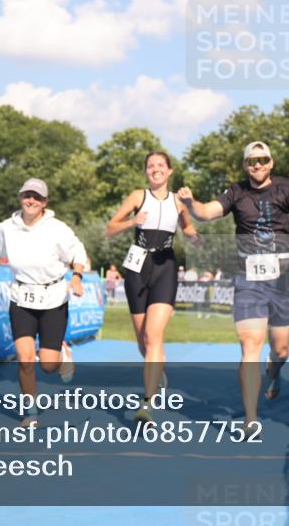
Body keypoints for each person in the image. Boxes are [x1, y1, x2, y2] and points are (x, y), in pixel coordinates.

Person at [177, 141, 289, 434]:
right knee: (249, 345)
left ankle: (274, 371)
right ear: (245, 166)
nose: (257, 165)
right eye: (251, 162)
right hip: (248, 277)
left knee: (280, 350)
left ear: (271, 163)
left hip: (283, 276)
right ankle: (251, 419)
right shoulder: (236, 192)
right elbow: (207, 213)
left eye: (262, 160)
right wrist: (191, 203)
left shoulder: (288, 188)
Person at [106, 151, 201, 423]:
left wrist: (200, 242)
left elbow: (189, 229)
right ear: (146, 171)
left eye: (161, 165)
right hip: (137, 266)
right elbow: (110, 229)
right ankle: (158, 374)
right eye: (151, 166)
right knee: (143, 341)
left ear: (170, 171)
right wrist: (132, 222)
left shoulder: (178, 202)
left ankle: (147, 402)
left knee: (153, 335)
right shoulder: (138, 196)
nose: (155, 169)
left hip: (165, 266)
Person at [0, 178, 86, 427]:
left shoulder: (57, 229)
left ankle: (63, 354)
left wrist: (76, 277)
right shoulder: (6, 228)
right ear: (20, 197)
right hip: (21, 297)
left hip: (53, 298)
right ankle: (30, 412)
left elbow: (78, 253)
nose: (31, 200)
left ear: (45, 202)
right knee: (24, 358)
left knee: (48, 365)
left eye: (37, 197)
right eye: (27, 195)